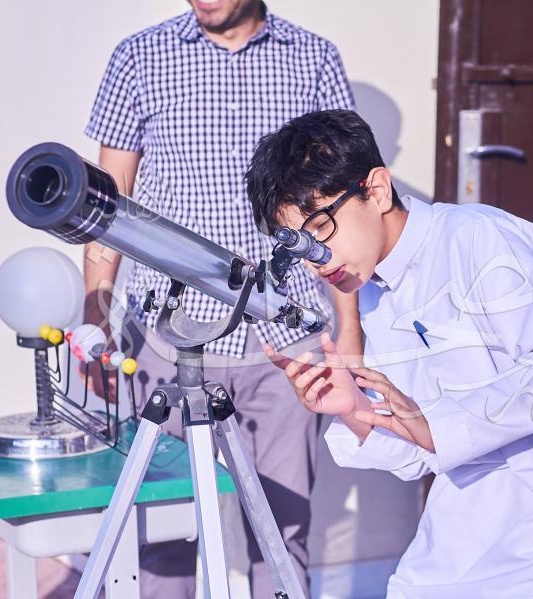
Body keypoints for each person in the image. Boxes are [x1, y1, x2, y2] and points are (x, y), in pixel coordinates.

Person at [247, 109, 533, 597]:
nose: (316, 260)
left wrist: (436, 426)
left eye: (320, 227)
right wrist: (354, 409)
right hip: (479, 504)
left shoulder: (478, 238)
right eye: (299, 245)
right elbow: (419, 450)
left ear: (376, 189)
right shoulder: (373, 287)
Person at [82, 1, 358, 596]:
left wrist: (350, 328)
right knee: (162, 536)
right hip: (167, 338)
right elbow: (107, 203)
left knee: (281, 535)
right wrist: (95, 318)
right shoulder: (138, 57)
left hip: (285, 341)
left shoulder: (313, 59)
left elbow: (343, 208)